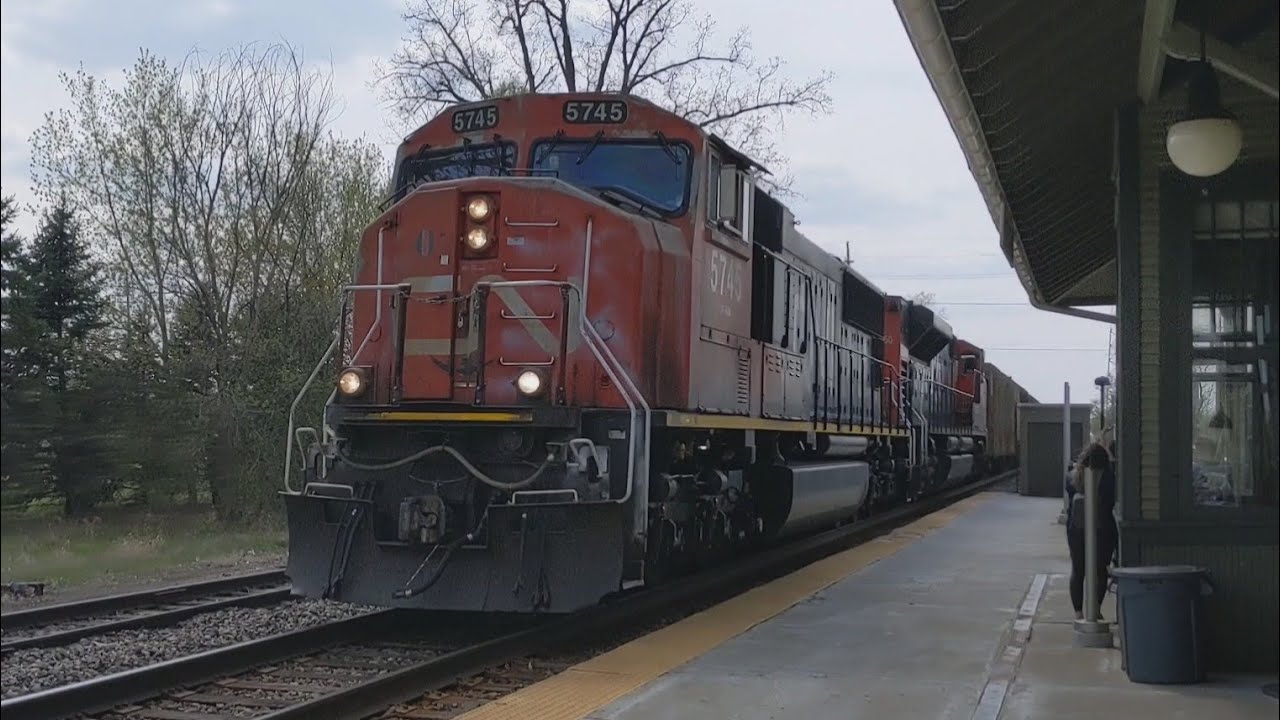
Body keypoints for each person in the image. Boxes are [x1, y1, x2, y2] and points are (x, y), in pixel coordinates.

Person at [1064, 441, 1118, 621]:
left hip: (1076, 528)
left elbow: (1069, 493)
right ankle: (1095, 609)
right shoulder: (1109, 477)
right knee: (1100, 571)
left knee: (1078, 570)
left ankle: (1078, 612)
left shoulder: (1072, 477)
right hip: (1103, 528)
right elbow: (1112, 499)